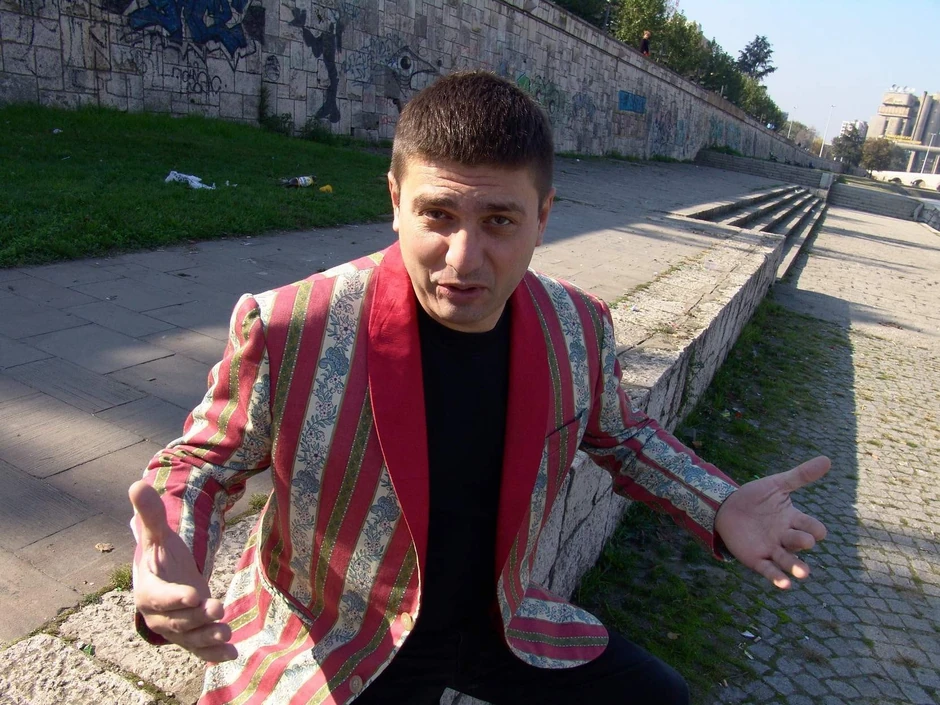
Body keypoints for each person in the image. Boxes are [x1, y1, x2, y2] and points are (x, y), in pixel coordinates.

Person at [129, 70, 829, 705]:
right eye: (438, 215)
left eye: (499, 221)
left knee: (659, 697)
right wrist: (170, 559)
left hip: (500, 622)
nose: (464, 259)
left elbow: (623, 437)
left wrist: (718, 501)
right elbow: (200, 462)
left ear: (543, 217)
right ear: (396, 201)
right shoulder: (291, 326)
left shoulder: (577, 326)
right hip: (340, 635)